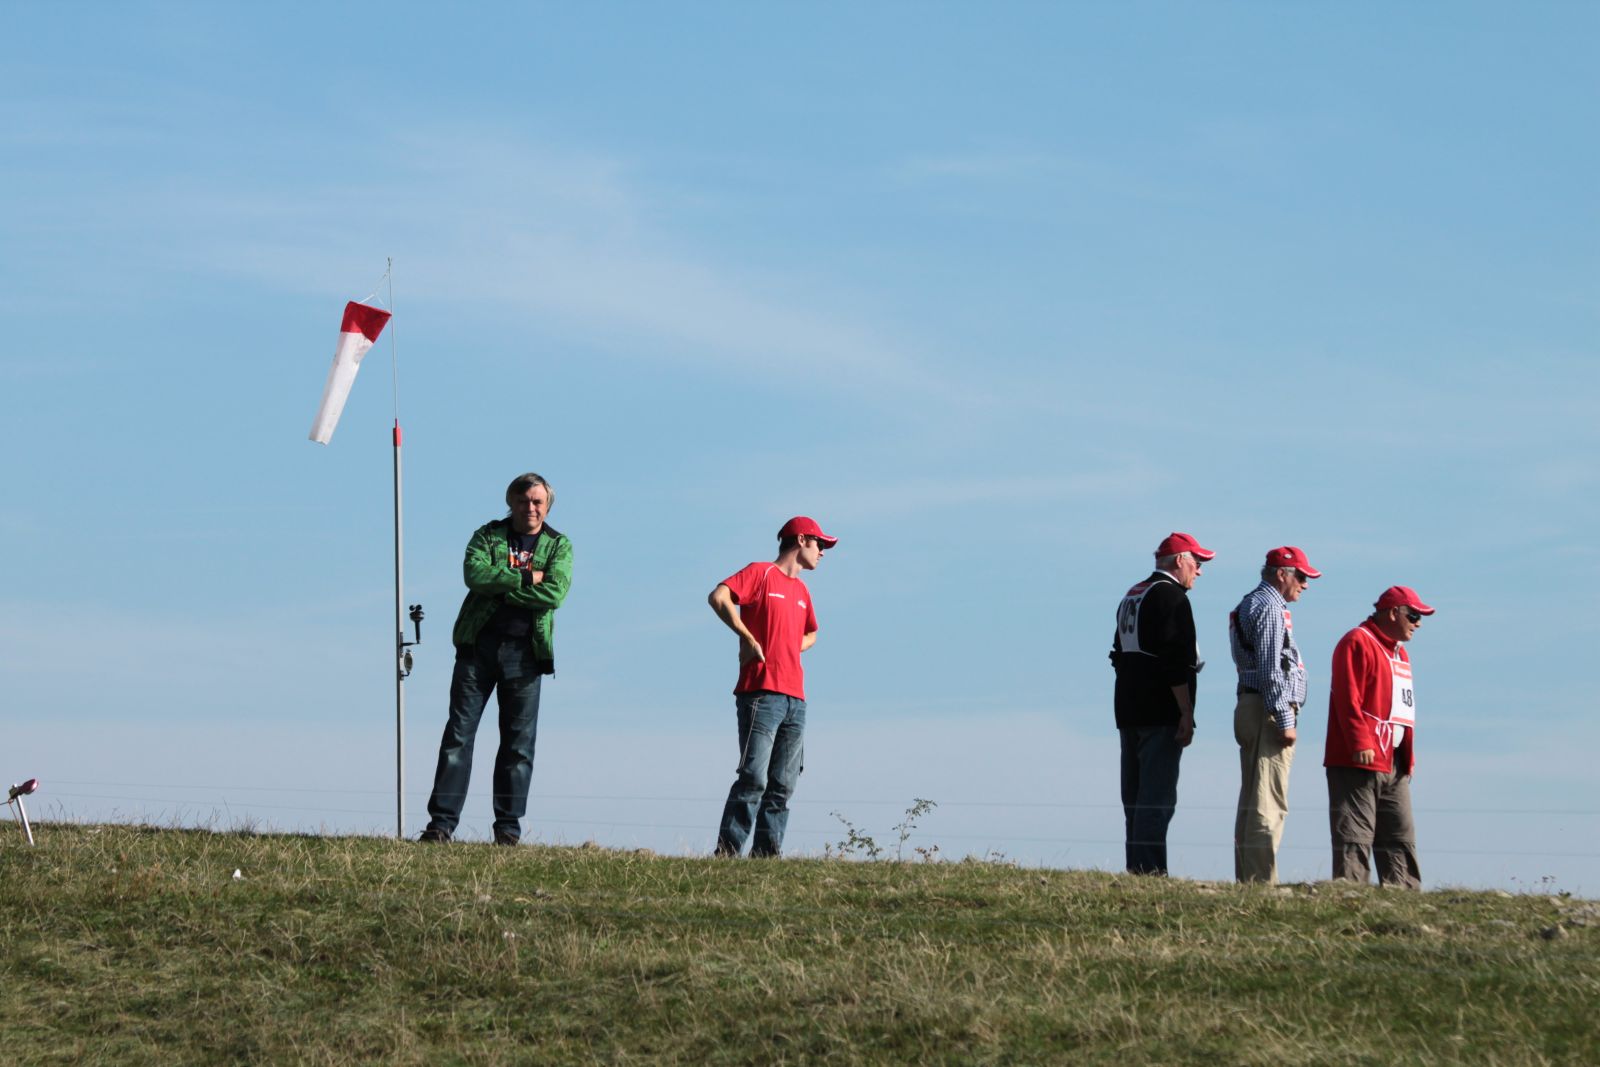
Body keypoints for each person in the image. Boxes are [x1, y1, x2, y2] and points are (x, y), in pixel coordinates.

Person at [419, 473, 573, 845]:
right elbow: (475, 575)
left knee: (518, 745)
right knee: (458, 736)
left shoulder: (558, 545)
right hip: (478, 649)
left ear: (547, 505)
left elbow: (554, 593)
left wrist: (501, 588)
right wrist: (527, 579)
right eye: (523, 500)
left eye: (537, 501)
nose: (530, 507)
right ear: (511, 502)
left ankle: (507, 830)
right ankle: (441, 825)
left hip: (526, 655)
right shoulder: (488, 535)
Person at [709, 516, 837, 858]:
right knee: (754, 778)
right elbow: (719, 597)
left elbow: (812, 633)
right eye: (820, 544)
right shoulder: (761, 573)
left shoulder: (803, 591)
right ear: (801, 540)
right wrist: (748, 637)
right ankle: (727, 854)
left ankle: (766, 858)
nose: (823, 552)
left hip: (796, 699)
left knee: (783, 785)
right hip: (761, 695)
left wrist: (790, 646)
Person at [1110, 532, 1213, 876]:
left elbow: (1117, 653)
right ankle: (1150, 871)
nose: (1199, 570)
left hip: (1128, 708)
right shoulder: (1172, 597)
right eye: (1197, 562)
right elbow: (1176, 660)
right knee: (1156, 798)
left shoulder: (1133, 594)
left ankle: (1137, 868)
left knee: (1135, 798)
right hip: (1159, 711)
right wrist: (1185, 710)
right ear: (1180, 560)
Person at [1323, 585, 1434, 888]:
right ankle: (1351, 896)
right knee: (1354, 833)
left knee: (1400, 835)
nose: (1418, 623)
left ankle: (1403, 900)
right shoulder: (1356, 641)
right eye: (1414, 616)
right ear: (1393, 613)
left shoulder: (1400, 652)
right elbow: (1347, 697)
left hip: (1393, 762)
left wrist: (1407, 756)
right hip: (1358, 759)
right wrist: (1360, 742)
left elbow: (1402, 709)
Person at [1229, 546, 1321, 883]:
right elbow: (1272, 669)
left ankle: (1249, 880)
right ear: (1282, 574)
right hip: (1266, 711)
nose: (1305, 584)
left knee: (1254, 797)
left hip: (1253, 705)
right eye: (1301, 576)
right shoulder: (1270, 606)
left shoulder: (1252, 602)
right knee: (1268, 800)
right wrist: (1285, 718)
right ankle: (1260, 883)